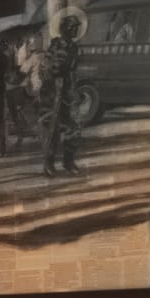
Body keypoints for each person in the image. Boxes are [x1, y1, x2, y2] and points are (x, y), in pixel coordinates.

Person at [41, 12, 87, 176]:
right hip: (54, 92)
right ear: (66, 28)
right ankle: (49, 163)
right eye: (73, 27)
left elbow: (73, 70)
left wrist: (74, 89)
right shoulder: (56, 45)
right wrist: (56, 79)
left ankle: (68, 161)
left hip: (68, 91)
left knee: (74, 127)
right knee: (52, 129)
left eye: (77, 28)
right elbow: (47, 68)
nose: (76, 30)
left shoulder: (73, 47)